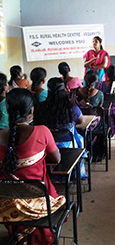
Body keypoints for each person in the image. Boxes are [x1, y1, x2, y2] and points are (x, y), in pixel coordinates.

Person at [0, 88, 65, 245]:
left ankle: (19, 234)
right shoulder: (41, 131)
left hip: (6, 204)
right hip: (38, 203)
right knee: (61, 198)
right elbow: (56, 159)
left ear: (7, 109)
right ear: (31, 110)